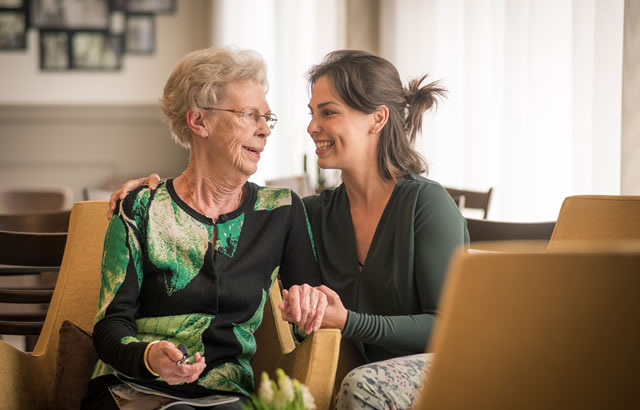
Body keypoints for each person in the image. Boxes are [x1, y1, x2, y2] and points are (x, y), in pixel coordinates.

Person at [109, 49, 469, 410]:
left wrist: (349, 321)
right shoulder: (311, 213)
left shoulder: (426, 204)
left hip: (441, 369)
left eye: (328, 112)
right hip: (355, 376)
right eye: (312, 113)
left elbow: (451, 328)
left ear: (377, 119)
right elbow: (234, 202)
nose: (312, 126)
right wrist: (153, 191)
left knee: (361, 386)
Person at [83, 47, 327, 410]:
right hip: (133, 390)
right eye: (249, 115)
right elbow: (109, 327)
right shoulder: (140, 208)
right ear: (198, 121)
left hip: (224, 398)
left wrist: (311, 307)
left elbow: (307, 323)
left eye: (267, 118)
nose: (264, 130)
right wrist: (151, 357)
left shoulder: (280, 211)